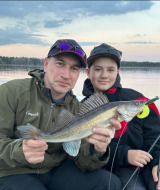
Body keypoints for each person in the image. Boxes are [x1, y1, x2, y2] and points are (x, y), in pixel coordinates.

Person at [0, 39, 122, 190]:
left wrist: (98, 150)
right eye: (60, 64)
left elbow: (84, 162)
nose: (66, 74)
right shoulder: (10, 92)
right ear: (45, 63)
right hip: (12, 171)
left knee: (109, 183)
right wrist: (19, 151)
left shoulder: (78, 108)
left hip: (54, 169)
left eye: (74, 68)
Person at [82, 43, 160, 190]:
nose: (104, 75)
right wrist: (124, 155)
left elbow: (155, 135)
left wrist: (158, 162)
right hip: (110, 170)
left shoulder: (138, 101)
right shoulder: (82, 109)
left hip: (146, 166)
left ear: (118, 72)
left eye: (110, 69)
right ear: (88, 72)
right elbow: (86, 150)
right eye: (97, 69)